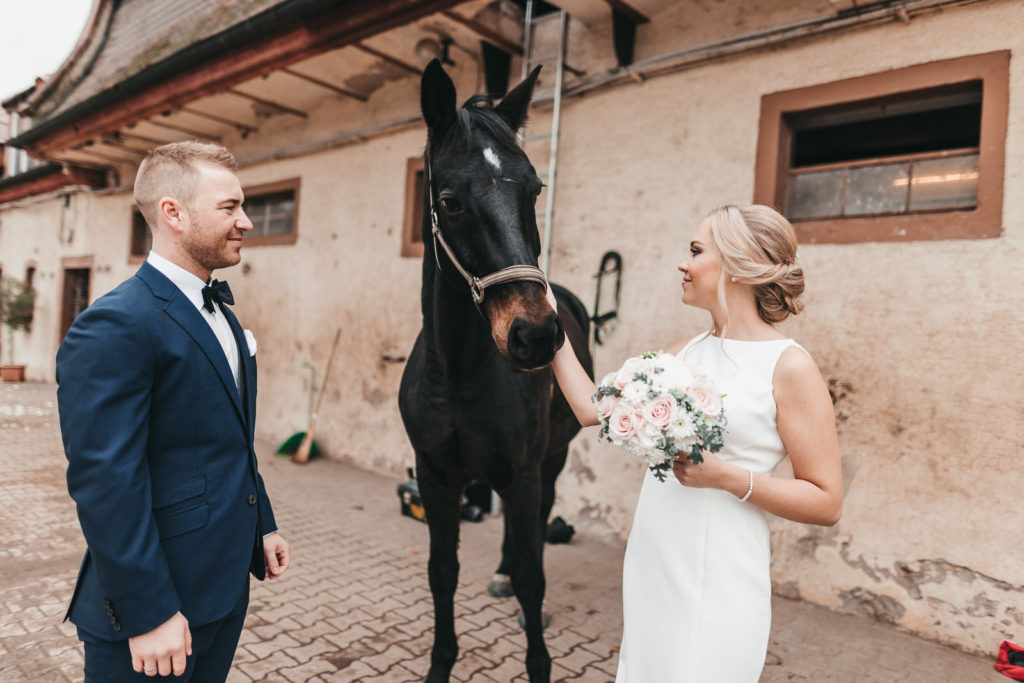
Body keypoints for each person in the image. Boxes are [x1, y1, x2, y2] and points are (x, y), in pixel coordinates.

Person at [547, 204, 842, 682]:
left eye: (696, 251)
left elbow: (826, 501)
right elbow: (590, 409)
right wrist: (551, 323)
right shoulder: (680, 352)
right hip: (653, 559)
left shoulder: (788, 366)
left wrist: (726, 477)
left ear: (738, 263)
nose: (683, 264)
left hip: (722, 570)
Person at [57, 141, 290, 680]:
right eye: (229, 207)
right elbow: (105, 481)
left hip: (221, 591)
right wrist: (150, 612)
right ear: (173, 213)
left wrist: (262, 524)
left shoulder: (223, 315)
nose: (247, 222)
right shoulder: (116, 323)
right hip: (154, 615)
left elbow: (227, 438)